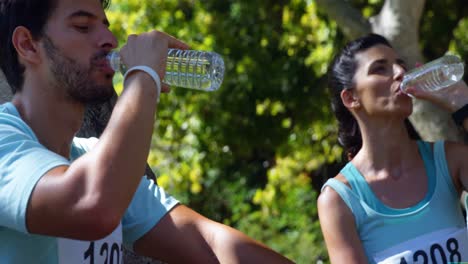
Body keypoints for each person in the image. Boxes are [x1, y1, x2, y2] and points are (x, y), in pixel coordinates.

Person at [0, 0, 295, 263]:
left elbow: (209, 244)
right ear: (28, 44)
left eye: (106, 26)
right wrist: (144, 76)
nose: (109, 40)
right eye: (82, 26)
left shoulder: (90, 158)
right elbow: (91, 204)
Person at [318, 33, 468, 263]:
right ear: (351, 98)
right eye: (380, 69)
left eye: (401, 65)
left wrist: (462, 103)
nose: (400, 73)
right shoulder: (339, 200)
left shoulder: (451, 160)